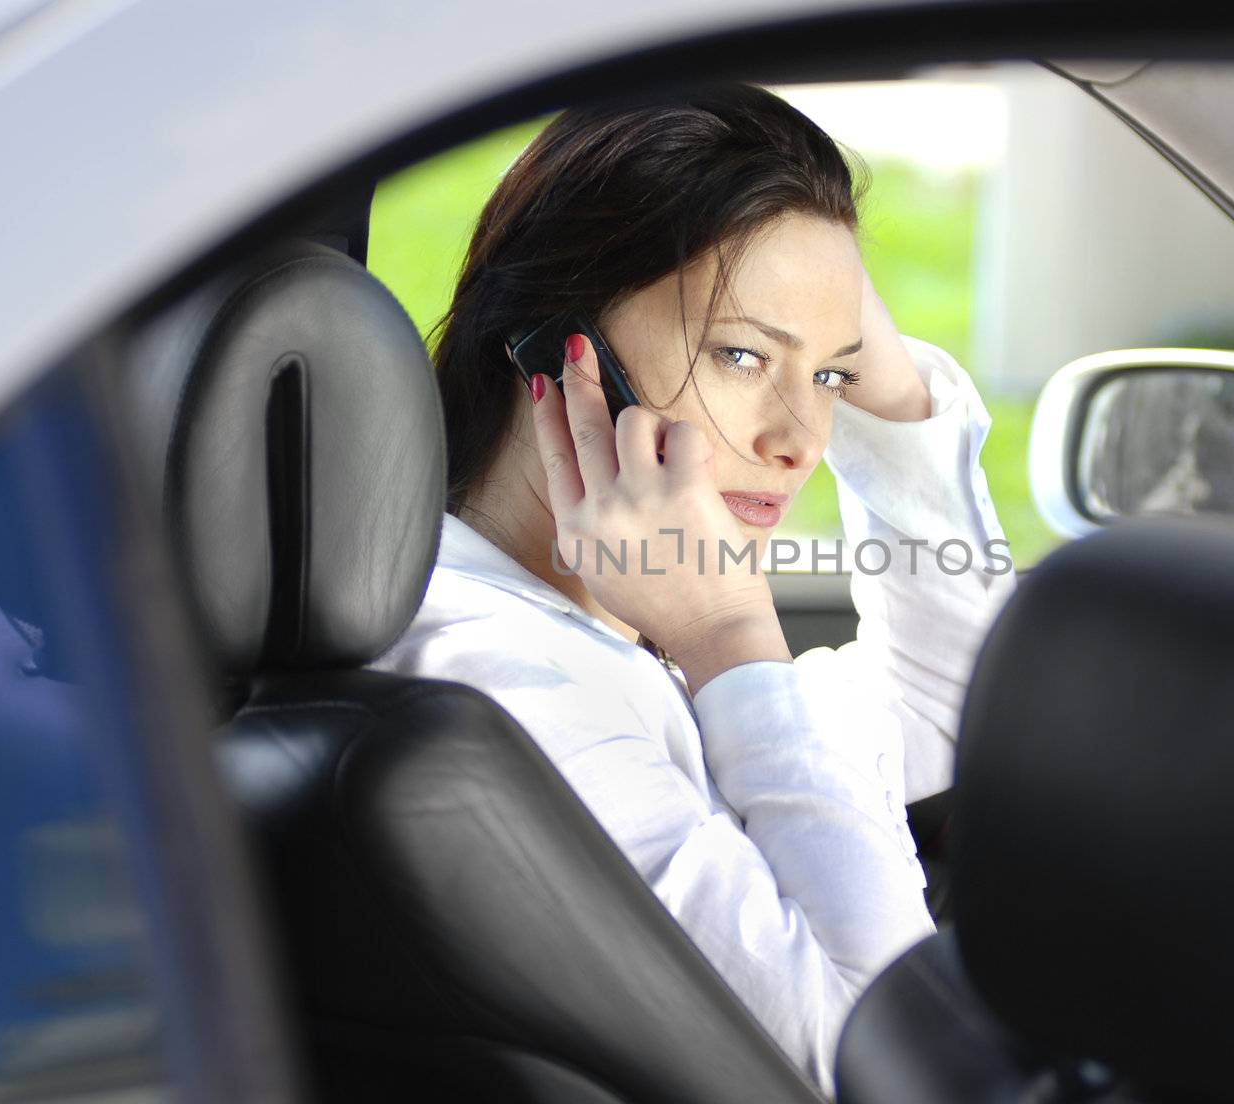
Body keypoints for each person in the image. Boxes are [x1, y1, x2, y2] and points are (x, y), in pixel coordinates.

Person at [371, 82, 1014, 1095]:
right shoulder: (510, 689)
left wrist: (860, 358)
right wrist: (726, 632)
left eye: (829, 381)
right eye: (742, 355)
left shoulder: (580, 638)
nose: (797, 441)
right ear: (555, 349)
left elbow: (957, 708)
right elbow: (889, 1061)